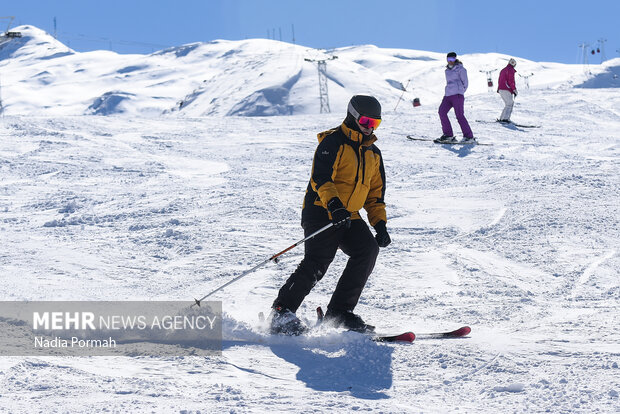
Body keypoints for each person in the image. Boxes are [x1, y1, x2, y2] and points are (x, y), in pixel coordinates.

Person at [269, 95, 391, 335]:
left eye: (375, 124)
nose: (369, 127)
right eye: (366, 121)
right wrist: (334, 205)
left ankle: (340, 312)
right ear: (353, 116)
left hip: (349, 215)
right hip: (321, 210)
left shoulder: (373, 154)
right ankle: (281, 311)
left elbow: (375, 195)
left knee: (367, 250)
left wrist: (380, 225)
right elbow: (320, 178)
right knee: (318, 261)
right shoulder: (332, 143)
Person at [435, 52, 475, 143]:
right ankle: (448, 135)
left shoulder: (461, 69)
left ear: (455, 59)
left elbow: (465, 83)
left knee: (459, 116)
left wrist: (460, 91)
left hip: (457, 95)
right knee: (442, 111)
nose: (450, 61)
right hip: (448, 95)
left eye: (452, 59)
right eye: (448, 59)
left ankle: (469, 137)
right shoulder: (447, 71)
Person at [497, 58, 518, 123]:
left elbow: (500, 80)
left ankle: (502, 118)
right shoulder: (510, 70)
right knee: (510, 103)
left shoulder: (503, 70)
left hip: (501, 89)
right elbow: (511, 81)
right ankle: (505, 119)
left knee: (508, 104)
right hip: (506, 89)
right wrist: (514, 90)